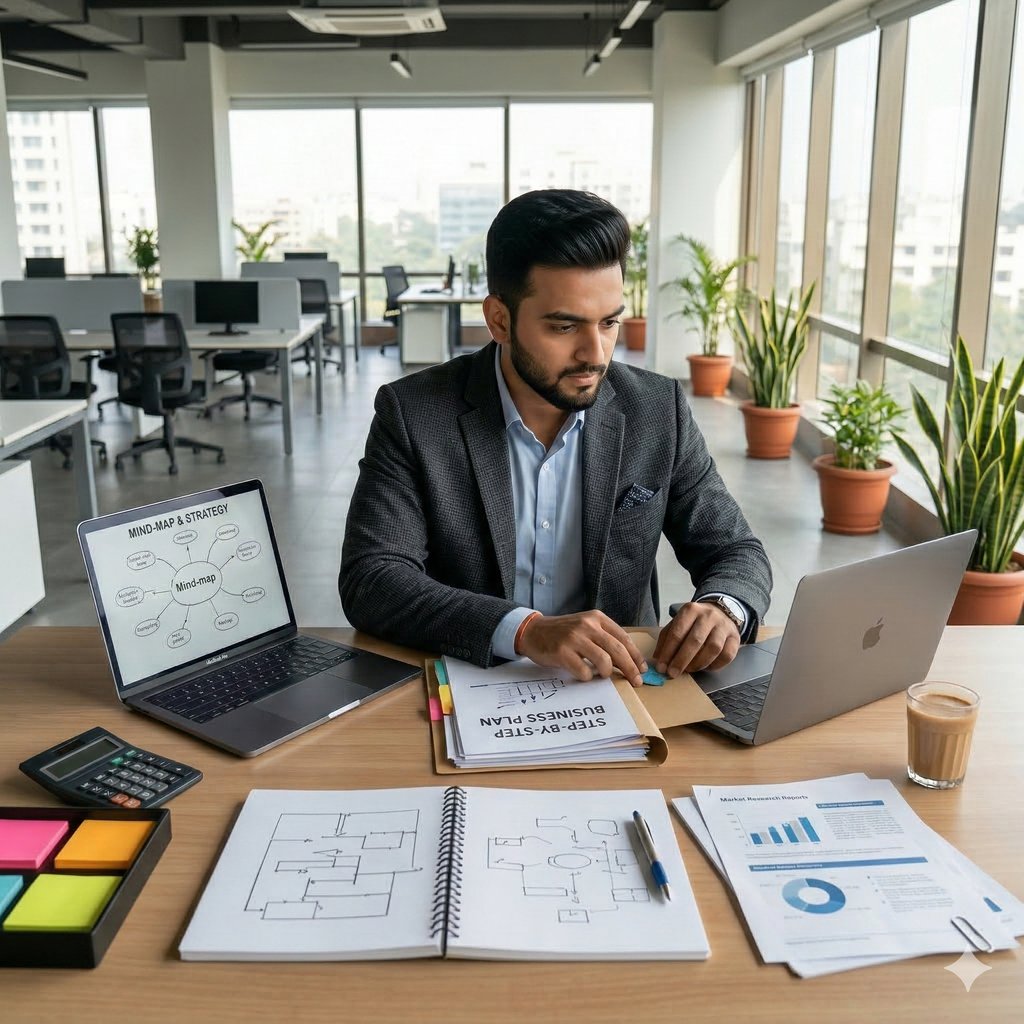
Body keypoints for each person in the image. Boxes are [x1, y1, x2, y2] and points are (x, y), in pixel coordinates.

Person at [340, 189, 771, 688]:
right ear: (499, 320)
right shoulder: (414, 413)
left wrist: (725, 608)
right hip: (470, 686)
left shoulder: (656, 410)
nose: (595, 353)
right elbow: (372, 579)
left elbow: (735, 549)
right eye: (565, 326)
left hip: (619, 690)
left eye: (609, 322)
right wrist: (524, 631)